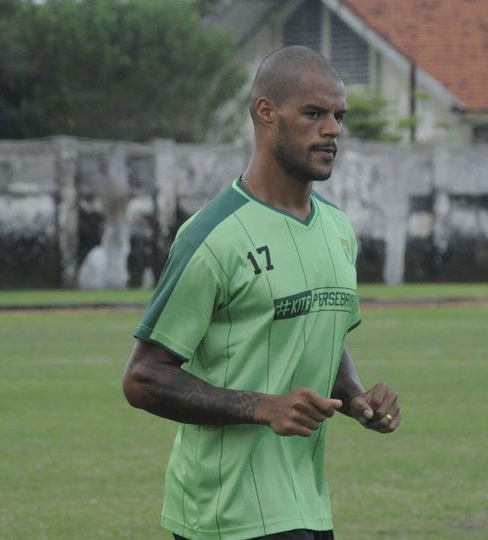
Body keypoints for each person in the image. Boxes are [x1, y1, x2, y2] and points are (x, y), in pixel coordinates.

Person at [122, 45, 401, 540]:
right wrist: (262, 406)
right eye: (314, 114)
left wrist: (357, 398)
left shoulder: (337, 229)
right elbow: (143, 378)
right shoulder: (212, 235)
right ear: (266, 113)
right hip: (226, 511)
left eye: (339, 115)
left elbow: (321, 334)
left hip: (308, 506)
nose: (333, 129)